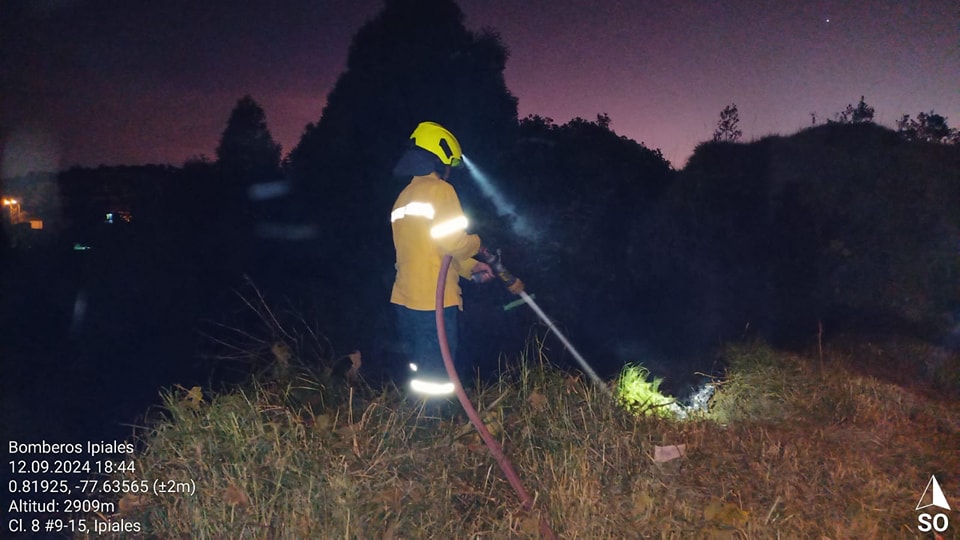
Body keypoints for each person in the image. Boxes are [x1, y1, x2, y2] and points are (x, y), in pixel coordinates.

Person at [390, 121, 494, 396]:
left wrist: (471, 267)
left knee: (419, 371)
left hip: (404, 298)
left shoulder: (404, 197)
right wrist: (477, 242)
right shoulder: (441, 191)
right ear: (440, 158)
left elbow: (432, 248)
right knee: (437, 378)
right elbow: (454, 242)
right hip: (433, 302)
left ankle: (416, 415)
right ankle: (433, 420)